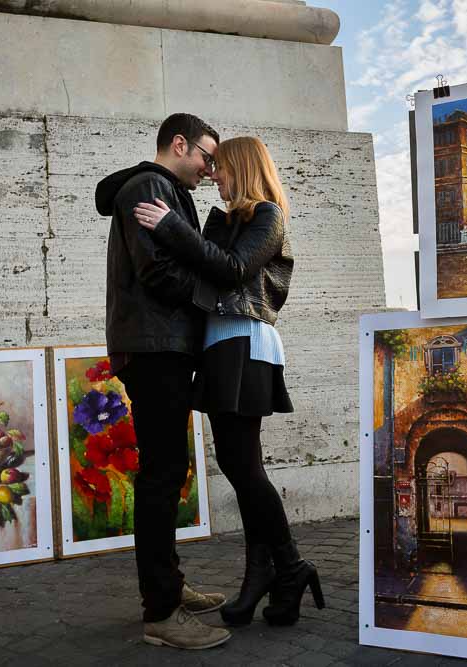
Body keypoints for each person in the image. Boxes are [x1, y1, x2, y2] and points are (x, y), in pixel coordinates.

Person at [133, 136, 325, 628]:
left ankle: (289, 566)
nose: (213, 175)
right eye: (210, 165)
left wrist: (173, 227)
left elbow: (235, 270)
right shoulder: (223, 220)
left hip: (247, 342)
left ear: (241, 167)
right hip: (220, 346)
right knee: (241, 466)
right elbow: (204, 266)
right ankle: (266, 574)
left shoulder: (268, 215)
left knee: (242, 466)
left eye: (220, 167)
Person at [95, 113, 231, 650]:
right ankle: (161, 611)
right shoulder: (151, 186)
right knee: (161, 473)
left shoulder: (159, 187)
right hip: (156, 346)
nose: (209, 168)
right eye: (206, 156)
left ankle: (169, 587)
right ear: (180, 144)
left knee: (167, 468)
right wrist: (213, 299)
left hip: (159, 344)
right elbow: (159, 272)